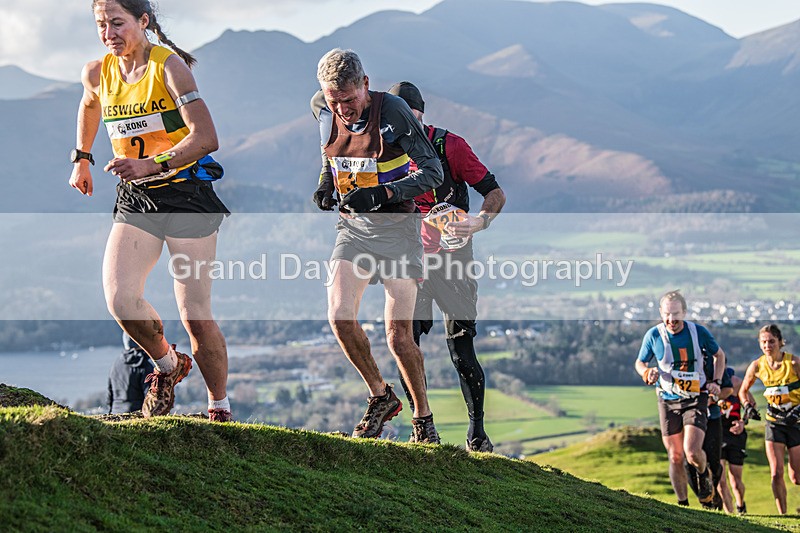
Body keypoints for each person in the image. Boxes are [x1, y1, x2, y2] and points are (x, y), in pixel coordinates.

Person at [68, 0, 232, 422]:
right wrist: (82, 157)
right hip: (137, 199)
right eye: (101, 25)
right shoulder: (97, 72)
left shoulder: (170, 67)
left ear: (143, 22)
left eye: (117, 23)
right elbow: (89, 104)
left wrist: (151, 164)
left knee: (195, 315)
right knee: (121, 300)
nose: (109, 34)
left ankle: (219, 407)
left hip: (185, 196)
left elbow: (207, 137)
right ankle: (168, 365)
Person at [311, 48, 444, 443]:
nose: (344, 110)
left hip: (399, 228)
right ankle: (380, 395)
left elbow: (432, 172)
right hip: (352, 229)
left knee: (398, 337)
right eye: (335, 102)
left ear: (365, 85)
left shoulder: (395, 112)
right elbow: (330, 152)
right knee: (339, 316)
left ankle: (423, 420)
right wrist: (324, 182)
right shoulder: (322, 107)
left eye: (350, 101)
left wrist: (383, 193)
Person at [386, 81, 506, 453]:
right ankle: (423, 429)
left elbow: (494, 193)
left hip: (455, 262)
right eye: (399, 121)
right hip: (411, 264)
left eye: (413, 118)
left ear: (422, 114)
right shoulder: (383, 154)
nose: (407, 128)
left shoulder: (449, 145)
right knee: (404, 340)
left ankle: (477, 434)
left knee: (461, 348)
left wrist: (479, 222)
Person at [635, 290, 726, 507]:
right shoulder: (653, 335)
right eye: (667, 314)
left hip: (696, 397)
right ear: (661, 312)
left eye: (676, 314)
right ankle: (683, 505)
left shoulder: (698, 332)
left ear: (684, 312)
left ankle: (704, 478)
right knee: (675, 456)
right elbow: (639, 362)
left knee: (692, 452)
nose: (671, 320)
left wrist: (717, 381)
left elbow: (719, 356)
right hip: (667, 399)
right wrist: (646, 372)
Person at [739, 324, 800, 515]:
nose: (768, 345)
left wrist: (798, 411)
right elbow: (743, 391)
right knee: (775, 472)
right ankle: (784, 515)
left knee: (796, 477)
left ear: (780, 342)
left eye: (771, 341)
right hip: (774, 422)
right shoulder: (757, 366)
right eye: (764, 342)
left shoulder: (793, 363)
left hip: (795, 423)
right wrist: (748, 406)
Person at [684, 356, 733, 510]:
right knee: (689, 462)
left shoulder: (712, 362)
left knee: (714, 462)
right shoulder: (681, 360)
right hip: (688, 417)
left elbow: (728, 389)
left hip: (712, 418)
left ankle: (711, 496)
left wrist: (713, 398)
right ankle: (705, 499)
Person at [717, 366, 756, 514]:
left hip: (736, 433)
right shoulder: (708, 382)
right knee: (720, 479)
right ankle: (730, 514)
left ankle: (741, 506)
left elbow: (751, 405)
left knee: (735, 479)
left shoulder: (737, 383)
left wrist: (743, 422)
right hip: (717, 432)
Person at [107, 332, 155, 414]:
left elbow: (109, 395)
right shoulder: (145, 365)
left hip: (115, 413)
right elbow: (150, 398)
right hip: (137, 415)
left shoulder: (117, 363)